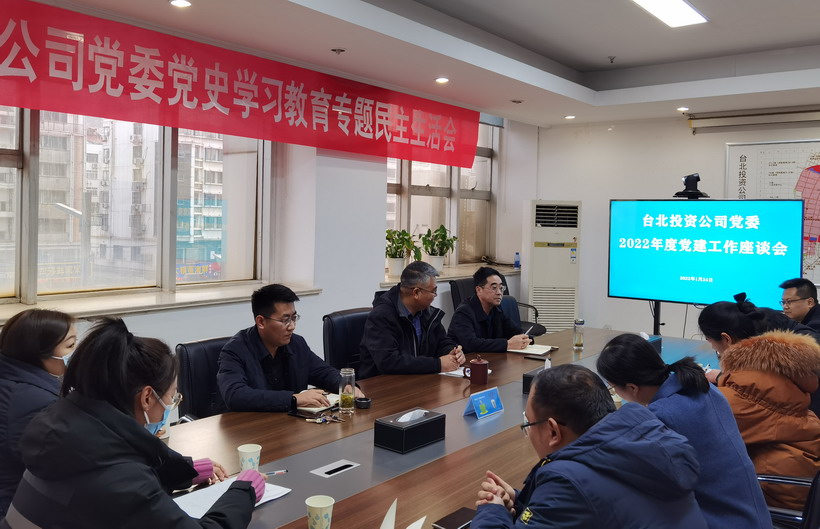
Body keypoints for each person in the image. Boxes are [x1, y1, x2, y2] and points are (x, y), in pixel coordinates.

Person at [1, 318, 265, 529]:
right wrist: (244, 491)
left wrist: (182, 472)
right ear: (147, 397)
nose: (172, 404)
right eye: (172, 396)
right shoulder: (120, 480)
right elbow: (124, 485)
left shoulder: (64, 426)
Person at [472, 364, 707, 529]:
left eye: (529, 423)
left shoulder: (568, 484)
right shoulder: (647, 440)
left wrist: (492, 510)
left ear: (553, 431)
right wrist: (521, 499)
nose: (528, 431)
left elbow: (577, 494)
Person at [596, 334, 771, 529]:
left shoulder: (660, 416)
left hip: (717, 520)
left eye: (613, 387)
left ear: (631, 387)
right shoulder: (702, 386)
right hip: (753, 515)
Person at [716, 330, 820, 511]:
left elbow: (701, 432)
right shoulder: (792, 389)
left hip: (776, 499)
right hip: (804, 490)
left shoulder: (742, 397)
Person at [218, 283, 362, 412]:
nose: (292, 326)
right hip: (250, 428)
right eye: (285, 320)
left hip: (290, 424)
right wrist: (293, 399)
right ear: (261, 322)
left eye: (294, 318)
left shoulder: (296, 343)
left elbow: (323, 372)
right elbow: (235, 395)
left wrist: (346, 385)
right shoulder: (234, 351)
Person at [0, 309, 76, 517]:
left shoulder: (11, 379)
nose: (76, 353)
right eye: (70, 345)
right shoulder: (36, 403)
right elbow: (56, 466)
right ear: (40, 352)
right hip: (15, 507)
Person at [699, 292, 820, 414]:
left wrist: (721, 377)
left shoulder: (771, 364)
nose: (714, 348)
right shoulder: (766, 328)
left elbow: (754, 391)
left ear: (726, 339)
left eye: (710, 341)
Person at [359, 261, 465, 379]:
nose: (435, 296)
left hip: (418, 379)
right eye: (433, 291)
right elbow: (389, 362)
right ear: (416, 292)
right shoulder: (382, 316)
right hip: (383, 384)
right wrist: (437, 364)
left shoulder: (427, 312)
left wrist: (452, 351)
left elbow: (442, 341)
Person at [447, 267, 530, 353]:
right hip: (466, 359)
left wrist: (526, 338)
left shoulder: (496, 309)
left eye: (501, 288)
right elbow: (471, 344)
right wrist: (507, 344)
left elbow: (515, 331)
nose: (499, 292)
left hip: (490, 357)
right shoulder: (463, 312)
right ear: (479, 290)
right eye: (494, 288)